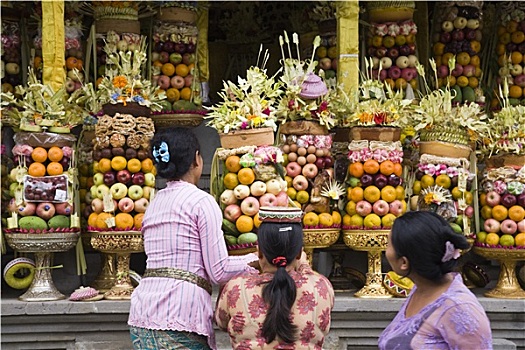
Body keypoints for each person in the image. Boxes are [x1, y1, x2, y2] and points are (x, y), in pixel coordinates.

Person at [128, 127, 258, 350]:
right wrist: (256, 260)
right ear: (196, 159)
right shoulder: (201, 201)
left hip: (143, 314)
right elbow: (219, 270)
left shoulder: (155, 203)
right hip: (180, 314)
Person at [215, 207, 335, 349]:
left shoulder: (235, 288)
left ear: (259, 252)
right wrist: (304, 266)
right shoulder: (320, 286)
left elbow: (221, 322)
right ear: (299, 254)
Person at [379, 211, 493, 350]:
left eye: (388, 244)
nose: (385, 250)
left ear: (404, 262)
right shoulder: (420, 289)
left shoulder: (460, 308)